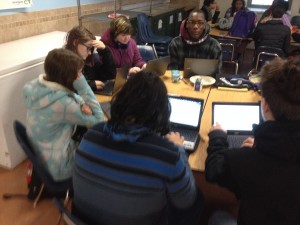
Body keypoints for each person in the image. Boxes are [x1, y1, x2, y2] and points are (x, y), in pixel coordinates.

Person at [72, 71, 204, 225]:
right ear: (161, 112)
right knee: (197, 199)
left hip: (83, 220)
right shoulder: (168, 155)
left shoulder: (91, 135)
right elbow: (186, 202)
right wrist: (178, 149)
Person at [205, 57, 300, 225]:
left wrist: (218, 137)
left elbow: (214, 170)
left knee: (217, 217)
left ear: (265, 105)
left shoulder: (244, 161)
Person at [23, 48, 104, 181]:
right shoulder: (62, 104)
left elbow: (68, 96)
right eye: (79, 74)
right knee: (101, 147)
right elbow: (98, 121)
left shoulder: (37, 87)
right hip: (60, 167)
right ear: (68, 77)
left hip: (44, 157)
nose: (81, 76)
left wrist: (79, 101)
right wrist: (83, 86)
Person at [168, 9, 222, 73]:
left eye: (200, 23)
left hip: (206, 81)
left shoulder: (214, 46)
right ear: (187, 24)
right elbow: (171, 71)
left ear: (205, 25)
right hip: (180, 81)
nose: (195, 26)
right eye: (192, 22)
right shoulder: (176, 44)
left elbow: (216, 73)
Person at [65, 26, 116, 92]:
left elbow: (109, 75)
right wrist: (90, 85)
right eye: (88, 48)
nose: (89, 53)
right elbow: (66, 87)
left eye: (91, 49)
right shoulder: (63, 62)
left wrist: (105, 51)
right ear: (75, 42)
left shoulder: (88, 60)